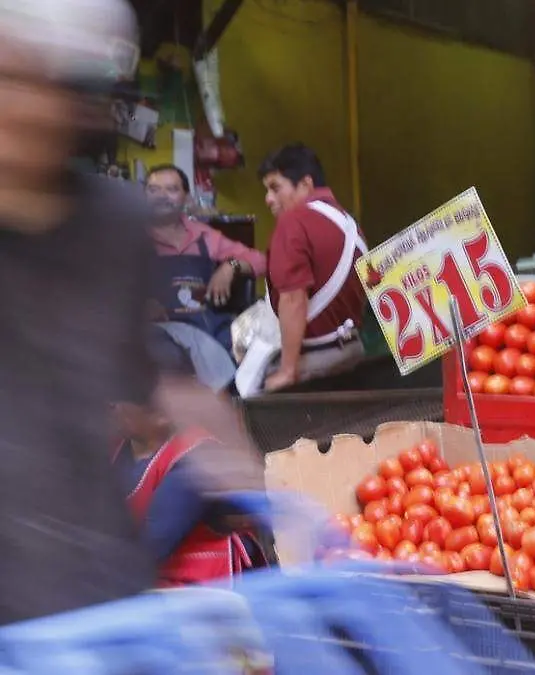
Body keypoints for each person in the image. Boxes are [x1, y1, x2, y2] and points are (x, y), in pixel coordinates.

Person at [0, 0, 264, 624]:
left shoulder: (115, 226)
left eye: (47, 84)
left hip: (91, 590)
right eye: (11, 79)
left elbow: (144, 379)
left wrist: (241, 465)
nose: (25, 106)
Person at [235, 143, 369, 396]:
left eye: (275, 188)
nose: (268, 199)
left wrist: (287, 370)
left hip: (313, 361)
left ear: (306, 184)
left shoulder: (293, 222)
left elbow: (293, 298)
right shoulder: (348, 222)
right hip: (351, 351)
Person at [111, 402, 268, 586]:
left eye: (122, 400)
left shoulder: (194, 460)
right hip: (146, 584)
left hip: (199, 588)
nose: (112, 406)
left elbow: (148, 550)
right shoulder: (114, 447)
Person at [144, 164, 266, 391]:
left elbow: (260, 261)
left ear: (186, 197)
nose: (162, 196)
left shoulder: (204, 236)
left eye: (171, 189)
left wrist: (230, 266)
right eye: (154, 190)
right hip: (159, 334)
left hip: (209, 329)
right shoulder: (133, 237)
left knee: (252, 359)